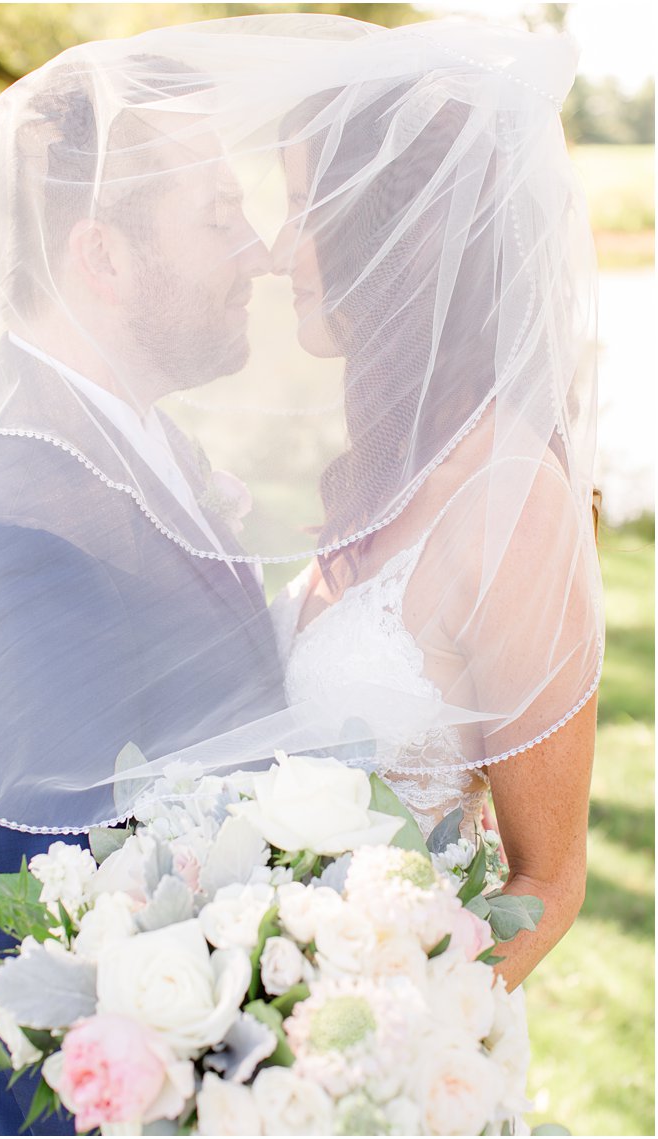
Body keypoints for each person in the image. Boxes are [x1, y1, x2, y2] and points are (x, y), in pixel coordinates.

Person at [0, 52, 288, 1134]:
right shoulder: (16, 538)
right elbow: (26, 940)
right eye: (218, 217)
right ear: (102, 255)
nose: (257, 250)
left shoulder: (132, 440)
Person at [265, 27, 602, 992]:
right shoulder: (384, 468)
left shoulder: (514, 507)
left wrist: (378, 1046)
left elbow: (552, 877)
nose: (283, 249)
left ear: (389, 234)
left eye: (302, 209)